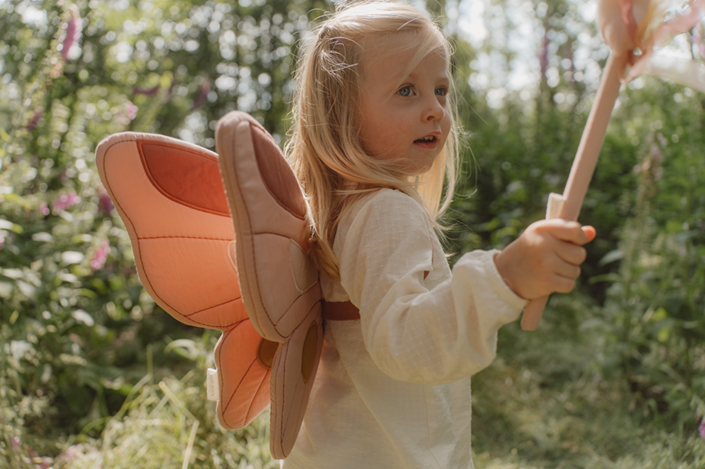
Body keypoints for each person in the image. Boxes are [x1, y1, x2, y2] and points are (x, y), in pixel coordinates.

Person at [282, 2, 596, 468]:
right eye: (406, 90)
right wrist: (504, 277)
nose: (435, 110)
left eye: (441, 90)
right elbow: (406, 342)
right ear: (342, 116)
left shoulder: (346, 213)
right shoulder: (385, 210)